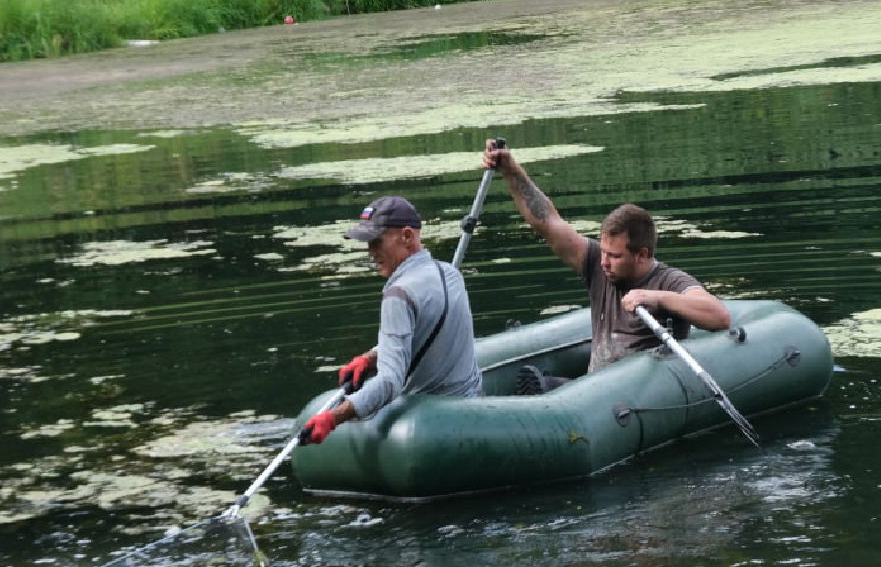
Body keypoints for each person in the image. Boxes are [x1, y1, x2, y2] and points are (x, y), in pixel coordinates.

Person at [481, 139, 731, 390]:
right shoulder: (596, 264)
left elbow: (719, 316)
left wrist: (656, 298)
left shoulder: (670, 281)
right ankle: (554, 391)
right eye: (603, 252)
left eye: (615, 256)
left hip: (640, 392)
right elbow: (547, 222)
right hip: (596, 393)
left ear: (642, 254)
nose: (604, 262)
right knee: (546, 386)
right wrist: (511, 170)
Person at [300, 195, 483, 444]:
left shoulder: (398, 294)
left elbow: (390, 382)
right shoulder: (450, 275)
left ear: (407, 236)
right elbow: (425, 331)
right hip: (474, 411)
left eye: (376, 242)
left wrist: (333, 418)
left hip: (433, 430)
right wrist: (372, 357)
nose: (371, 252)